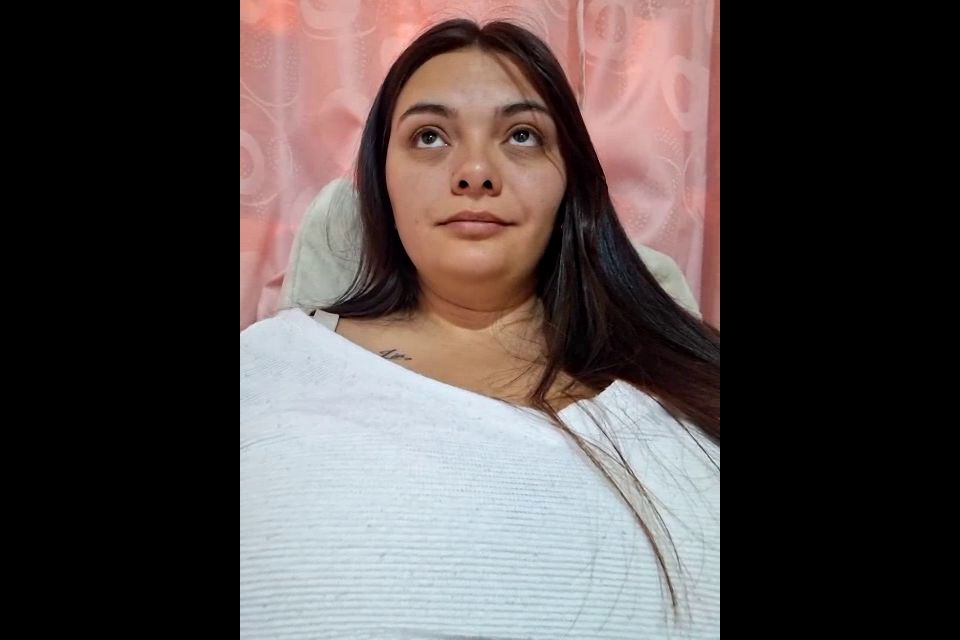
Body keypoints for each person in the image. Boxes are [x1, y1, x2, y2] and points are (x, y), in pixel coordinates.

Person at [241, 18, 719, 639]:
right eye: (430, 136)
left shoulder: (689, 376)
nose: (474, 172)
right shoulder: (265, 368)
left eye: (521, 135)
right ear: (381, 180)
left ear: (569, 181)